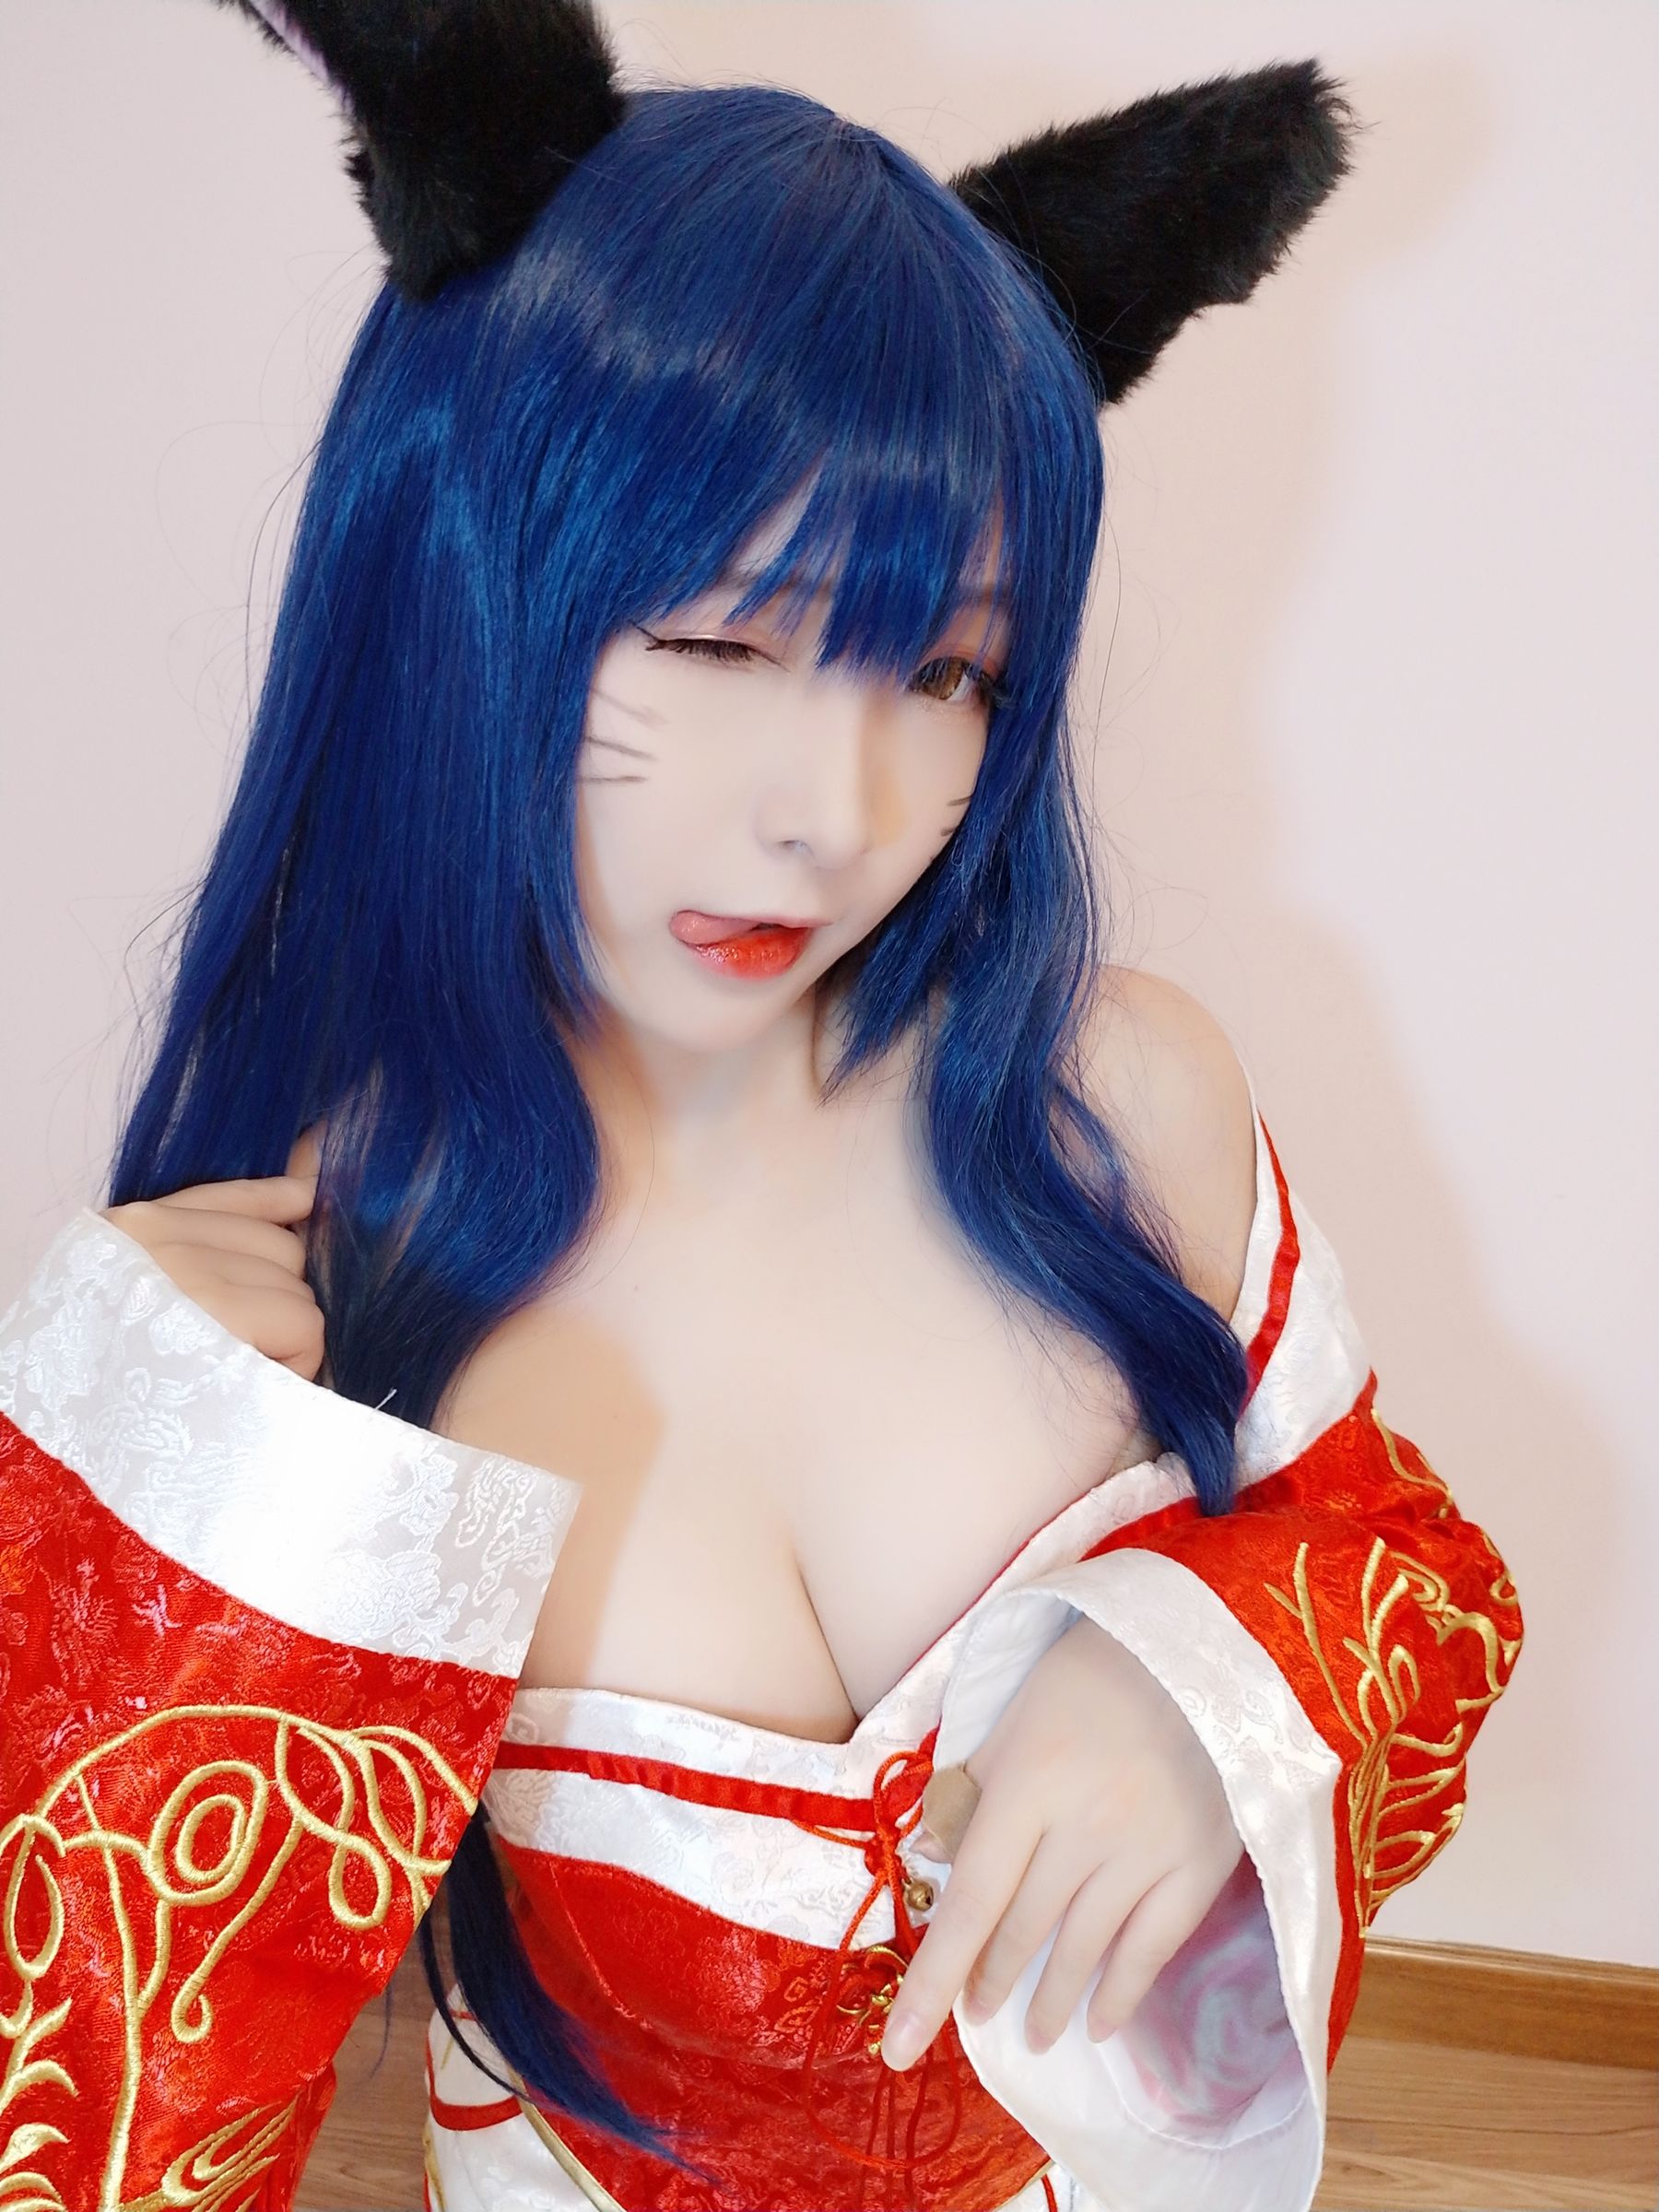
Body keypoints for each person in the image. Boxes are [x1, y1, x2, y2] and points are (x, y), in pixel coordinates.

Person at [0, 6, 1525, 2209]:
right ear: (453, 583)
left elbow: (1415, 1584)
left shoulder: (1117, 1104)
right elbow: (114, 2119)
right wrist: (100, 1502)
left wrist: (1212, 1690)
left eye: (946, 670)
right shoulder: (305, 1299)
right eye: (720, 639)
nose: (836, 812)